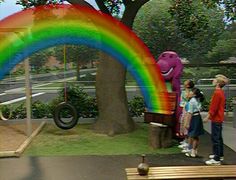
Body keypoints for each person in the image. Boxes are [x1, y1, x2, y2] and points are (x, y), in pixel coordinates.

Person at [204, 74, 229, 165]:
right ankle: (219, 155)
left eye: (215, 79)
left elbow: (214, 107)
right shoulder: (220, 92)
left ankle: (216, 159)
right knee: (219, 138)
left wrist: (208, 117)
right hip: (219, 118)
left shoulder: (217, 93)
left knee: (215, 138)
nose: (213, 80)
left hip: (216, 118)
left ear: (218, 83)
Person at [184, 87, 205, 157]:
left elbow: (190, 113)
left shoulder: (192, 101)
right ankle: (192, 150)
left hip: (194, 118)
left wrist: (186, 123)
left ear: (194, 94)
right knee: (193, 135)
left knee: (193, 135)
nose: (189, 93)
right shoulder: (195, 100)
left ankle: (192, 150)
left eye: (191, 92)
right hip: (197, 117)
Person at [178, 80, 195, 149]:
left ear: (188, 85)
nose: (184, 82)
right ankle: (185, 139)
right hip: (184, 109)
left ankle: (187, 142)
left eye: (186, 82)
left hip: (188, 109)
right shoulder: (183, 91)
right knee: (183, 123)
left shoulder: (191, 92)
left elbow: (188, 98)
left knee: (187, 124)